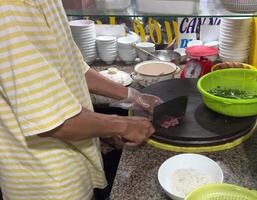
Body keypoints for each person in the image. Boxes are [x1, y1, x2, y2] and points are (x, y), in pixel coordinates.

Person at [0, 0, 162, 199]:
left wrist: (132, 96)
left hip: (73, 162)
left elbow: (73, 65)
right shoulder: (10, 9)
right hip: (48, 183)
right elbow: (54, 120)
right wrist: (122, 125)